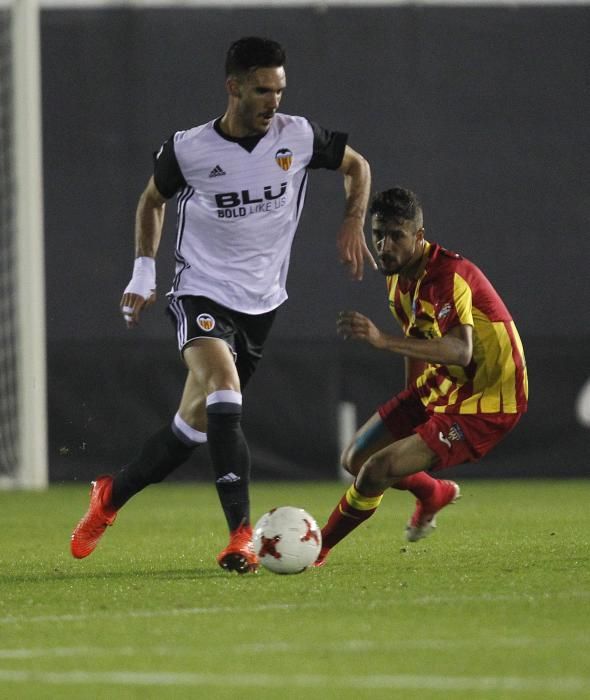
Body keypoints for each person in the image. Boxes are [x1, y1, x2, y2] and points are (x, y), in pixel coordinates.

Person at [70, 36, 376, 574]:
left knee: (190, 431)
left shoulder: (298, 137)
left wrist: (352, 219)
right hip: (199, 291)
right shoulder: (189, 149)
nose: (273, 101)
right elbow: (151, 202)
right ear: (233, 87)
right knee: (225, 388)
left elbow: (358, 167)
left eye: (279, 90)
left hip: (261, 305)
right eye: (262, 90)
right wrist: (144, 273)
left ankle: (109, 496)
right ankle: (240, 535)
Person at [314, 186, 528, 566]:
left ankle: (315, 550)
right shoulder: (397, 277)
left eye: (396, 235)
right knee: (356, 458)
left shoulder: (447, 276)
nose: (384, 245)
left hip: (490, 398)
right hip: (444, 382)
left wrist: (382, 340)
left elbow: (460, 348)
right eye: (378, 234)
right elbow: (418, 338)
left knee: (376, 470)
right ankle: (433, 494)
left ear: (419, 237)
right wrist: (414, 400)